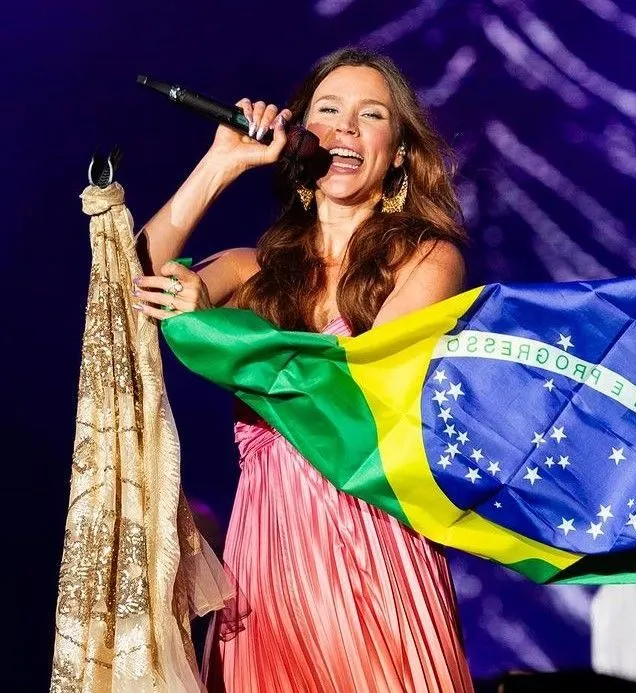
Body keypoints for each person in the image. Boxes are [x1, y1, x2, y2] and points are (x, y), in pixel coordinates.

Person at [132, 47, 474, 692]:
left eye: (370, 115)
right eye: (328, 110)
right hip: (266, 554)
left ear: (398, 150)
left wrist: (221, 328)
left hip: (373, 542)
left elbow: (360, 386)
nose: (345, 128)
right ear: (298, 137)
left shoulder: (429, 259)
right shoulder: (250, 268)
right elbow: (128, 283)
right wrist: (221, 162)